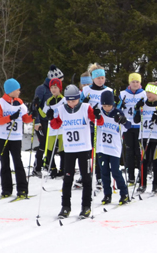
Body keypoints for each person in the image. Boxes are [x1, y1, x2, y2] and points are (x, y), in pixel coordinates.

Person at [50, 84, 104, 218]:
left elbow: (99, 122)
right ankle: (65, 207)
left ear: (78, 99)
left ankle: (86, 206)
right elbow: (55, 125)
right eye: (68, 100)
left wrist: (97, 116)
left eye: (73, 100)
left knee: (86, 178)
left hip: (84, 149)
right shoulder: (62, 109)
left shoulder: (86, 108)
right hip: (69, 150)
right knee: (67, 178)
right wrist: (50, 118)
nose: (71, 103)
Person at [0, 78, 36, 199]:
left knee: (18, 163)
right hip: (3, 137)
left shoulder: (20, 103)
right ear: (11, 91)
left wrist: (32, 115)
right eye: (17, 89)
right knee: (5, 163)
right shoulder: (0, 103)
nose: (19, 92)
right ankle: (6, 189)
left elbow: (25, 119)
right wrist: (10, 117)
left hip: (16, 137)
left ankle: (22, 189)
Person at [79, 63, 113, 188]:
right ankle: (85, 175)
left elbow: (113, 107)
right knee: (87, 151)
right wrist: (84, 103)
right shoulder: (86, 90)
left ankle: (99, 176)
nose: (101, 80)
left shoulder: (108, 90)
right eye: (98, 78)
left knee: (100, 151)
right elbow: (78, 104)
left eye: (103, 78)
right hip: (88, 125)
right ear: (93, 78)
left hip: (102, 125)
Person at [133, 81, 157, 194]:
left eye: (152, 92)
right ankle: (142, 184)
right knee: (144, 160)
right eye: (147, 91)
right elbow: (136, 120)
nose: (149, 94)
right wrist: (137, 109)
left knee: (155, 160)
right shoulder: (143, 105)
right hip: (143, 136)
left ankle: (156, 184)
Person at [97, 90, 130, 205]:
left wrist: (123, 120)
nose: (107, 108)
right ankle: (107, 194)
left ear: (113, 104)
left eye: (109, 105)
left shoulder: (117, 112)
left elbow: (128, 125)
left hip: (114, 148)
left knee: (115, 172)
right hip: (102, 147)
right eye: (104, 105)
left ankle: (124, 192)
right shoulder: (99, 113)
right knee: (104, 172)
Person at [32, 64, 64, 176]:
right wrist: (36, 121)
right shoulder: (42, 89)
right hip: (42, 121)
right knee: (44, 144)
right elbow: (35, 106)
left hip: (52, 122)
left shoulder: (56, 90)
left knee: (52, 145)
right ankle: (37, 167)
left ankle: (49, 165)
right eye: (60, 79)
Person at [119, 73, 146, 185]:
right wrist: (121, 104)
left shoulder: (144, 94)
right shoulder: (123, 93)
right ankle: (130, 176)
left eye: (137, 82)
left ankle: (141, 175)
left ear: (140, 83)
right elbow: (117, 107)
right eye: (133, 82)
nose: (135, 84)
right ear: (129, 83)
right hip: (127, 126)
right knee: (129, 151)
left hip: (140, 127)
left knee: (139, 152)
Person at [40, 78, 66, 178]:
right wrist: (37, 107)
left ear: (59, 88)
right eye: (51, 87)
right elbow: (43, 114)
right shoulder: (49, 101)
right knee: (49, 149)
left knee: (62, 150)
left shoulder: (64, 100)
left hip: (62, 129)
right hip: (52, 129)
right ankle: (52, 168)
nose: (53, 89)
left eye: (55, 87)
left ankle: (63, 169)